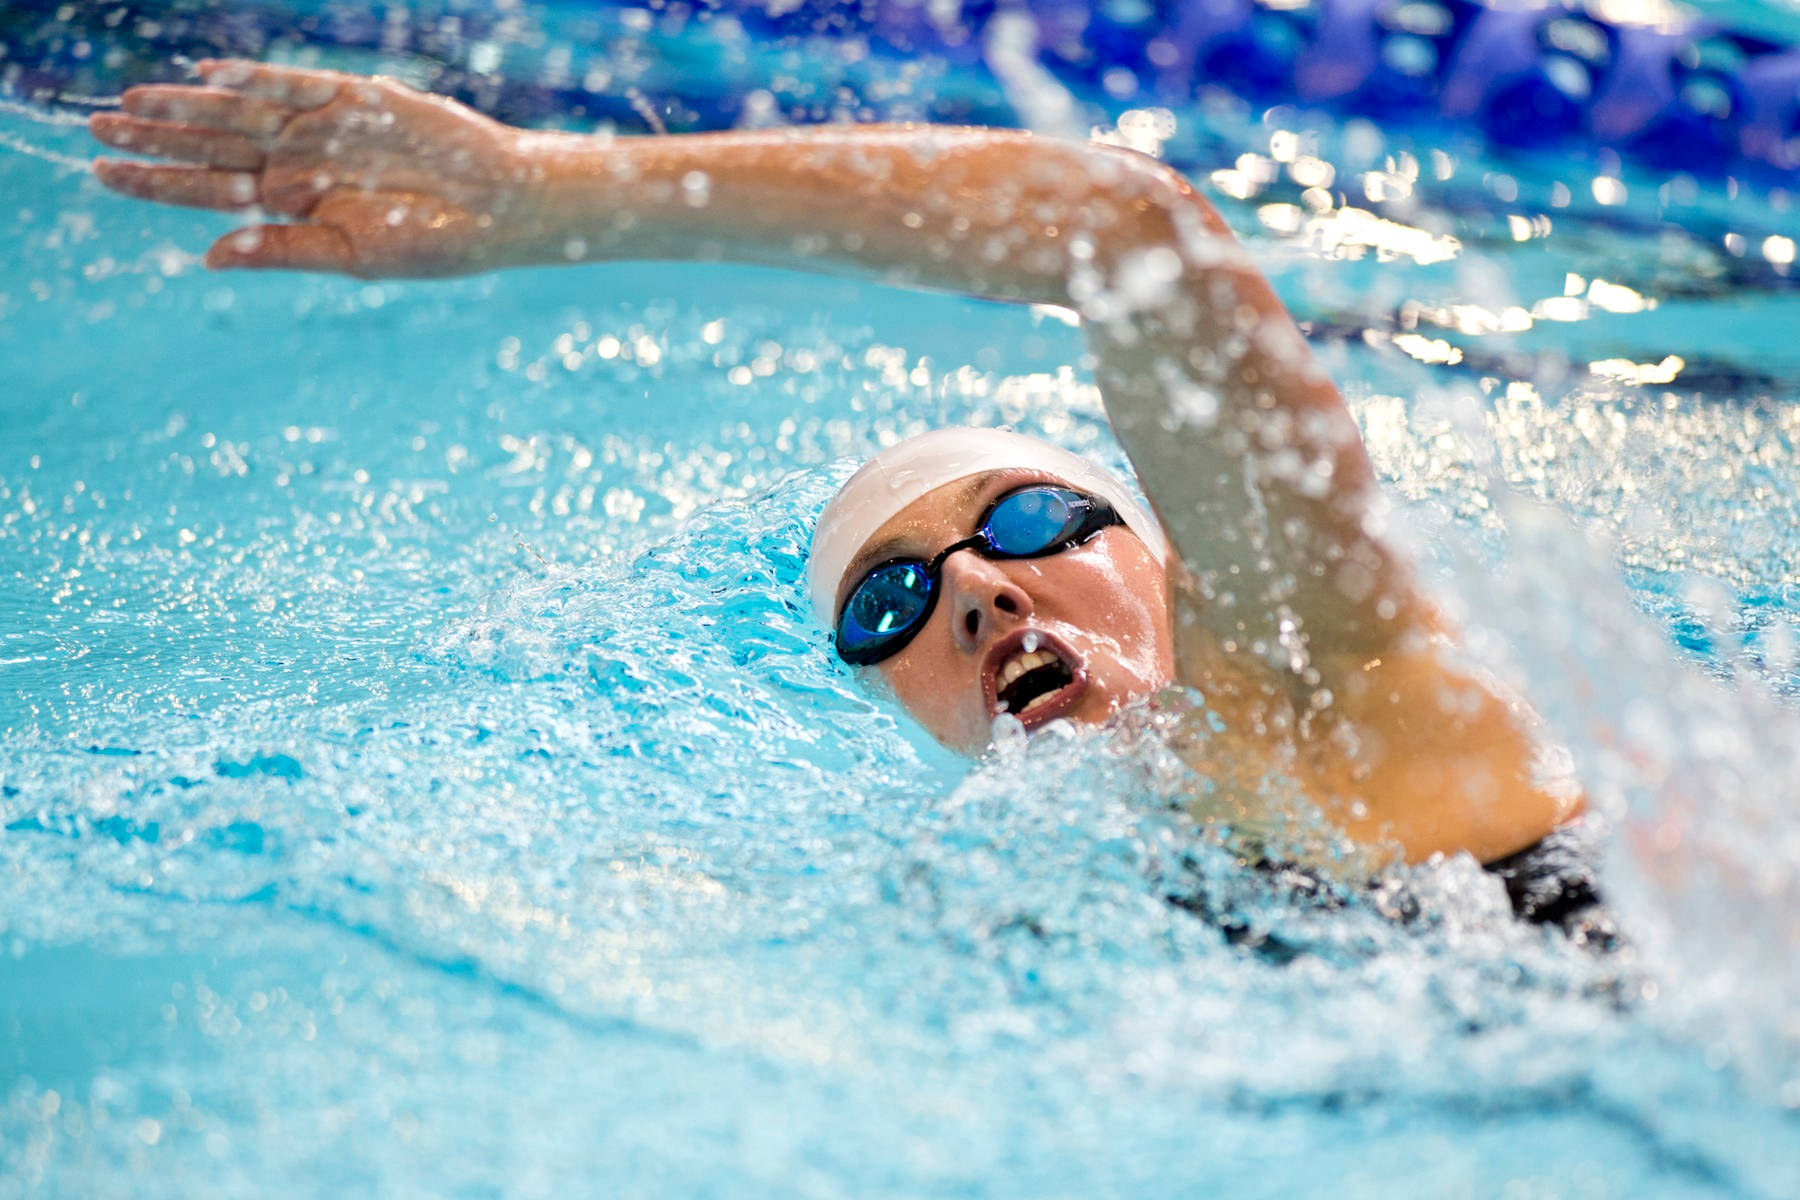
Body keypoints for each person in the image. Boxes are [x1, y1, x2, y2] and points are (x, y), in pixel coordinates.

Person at [89, 59, 1586, 880]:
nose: (984, 593)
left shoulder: (1322, 693)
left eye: (1031, 520)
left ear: (1172, 547)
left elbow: (1129, 238)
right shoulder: (1047, 910)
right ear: (898, 711)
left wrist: (542, 197)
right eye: (891, 605)